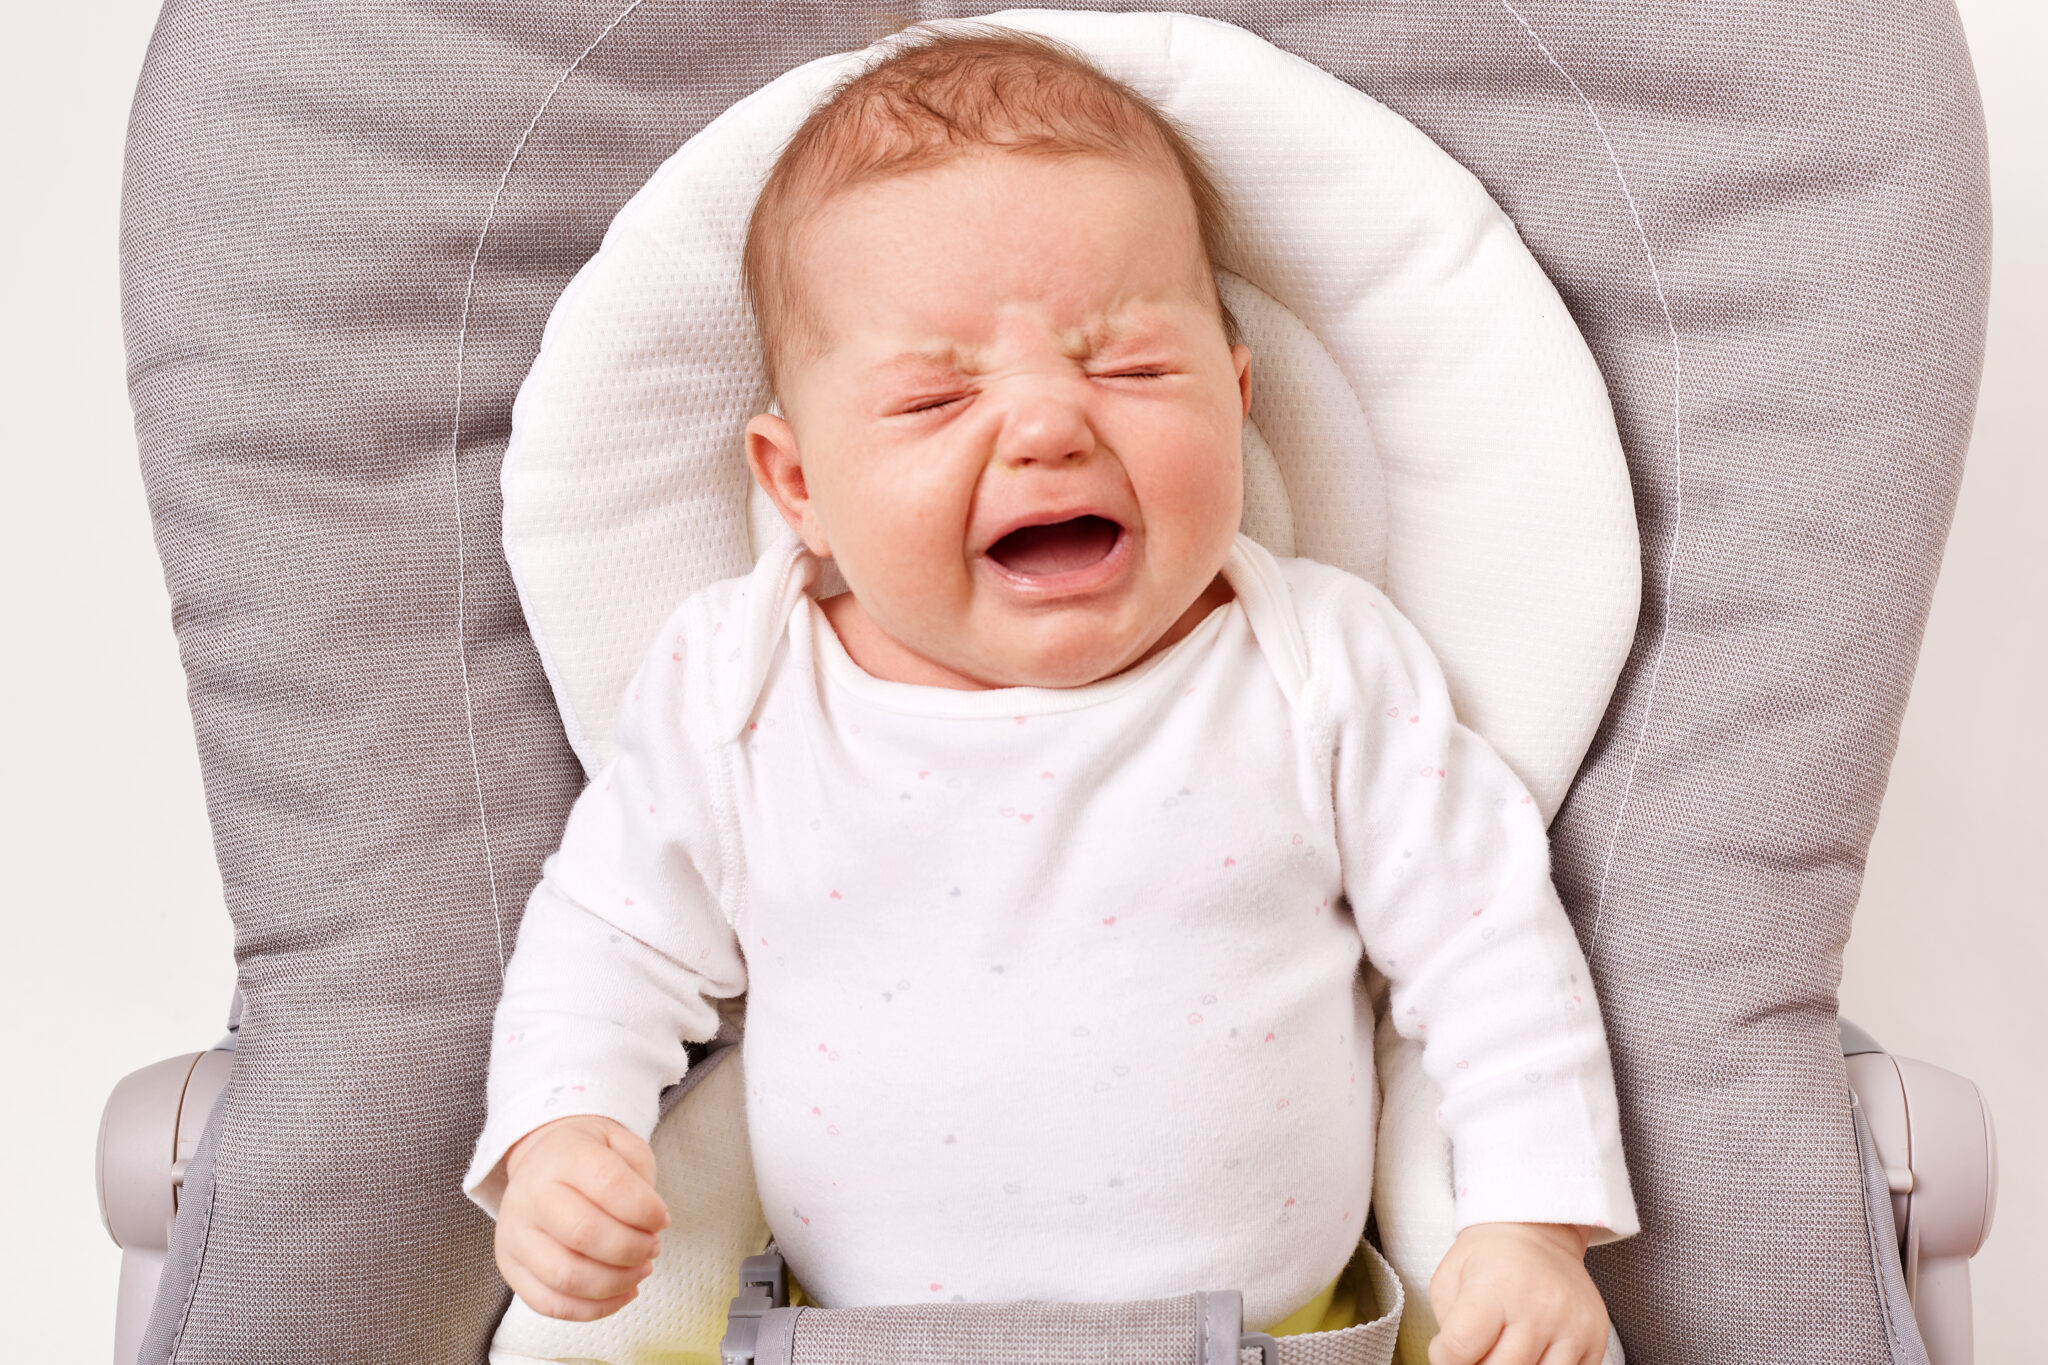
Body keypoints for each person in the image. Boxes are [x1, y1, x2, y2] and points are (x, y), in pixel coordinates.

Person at [465, 28, 1637, 1365]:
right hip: (843, 1341)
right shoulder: (740, 687)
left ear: (1237, 403)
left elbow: (1487, 942)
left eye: (1129, 367)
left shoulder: (1315, 666)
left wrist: (1533, 1222)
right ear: (799, 487)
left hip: (1274, 1336)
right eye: (932, 395)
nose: (1045, 423)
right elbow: (606, 943)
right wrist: (563, 1130)